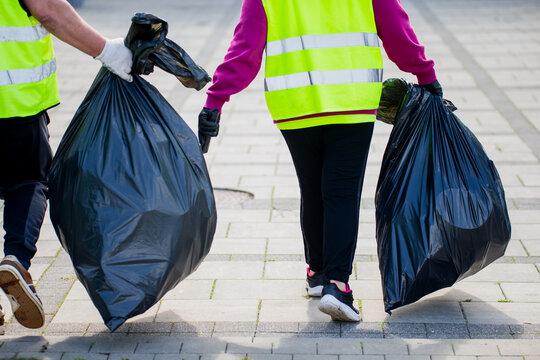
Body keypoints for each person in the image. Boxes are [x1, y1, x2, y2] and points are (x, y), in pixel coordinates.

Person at [198, 0, 442, 322]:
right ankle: (337, 286)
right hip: (351, 99)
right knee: (341, 192)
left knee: (312, 187)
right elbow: (397, 32)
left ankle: (317, 271)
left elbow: (245, 49)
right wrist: (425, 74)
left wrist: (216, 100)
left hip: (295, 102)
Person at [0, 0, 133, 329]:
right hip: (13, 102)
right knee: (28, 183)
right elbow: (48, 10)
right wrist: (106, 50)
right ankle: (16, 257)